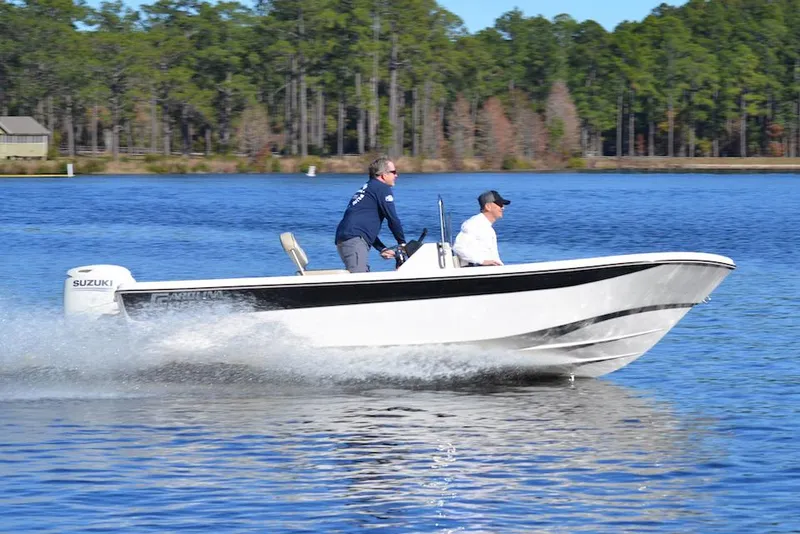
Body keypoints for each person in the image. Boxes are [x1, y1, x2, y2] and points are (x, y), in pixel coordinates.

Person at [335, 156, 406, 273]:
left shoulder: (369, 188)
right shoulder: (382, 188)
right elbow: (393, 219)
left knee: (364, 275)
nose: (396, 175)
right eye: (393, 172)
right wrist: (402, 243)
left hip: (347, 238)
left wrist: (381, 248)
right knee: (359, 281)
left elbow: (362, 227)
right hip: (354, 241)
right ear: (383, 175)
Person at [452, 190, 510, 267]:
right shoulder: (474, 224)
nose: (503, 208)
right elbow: (458, 247)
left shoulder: (488, 228)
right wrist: (482, 261)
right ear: (488, 207)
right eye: (499, 204)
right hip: (476, 270)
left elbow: (493, 256)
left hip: (488, 271)